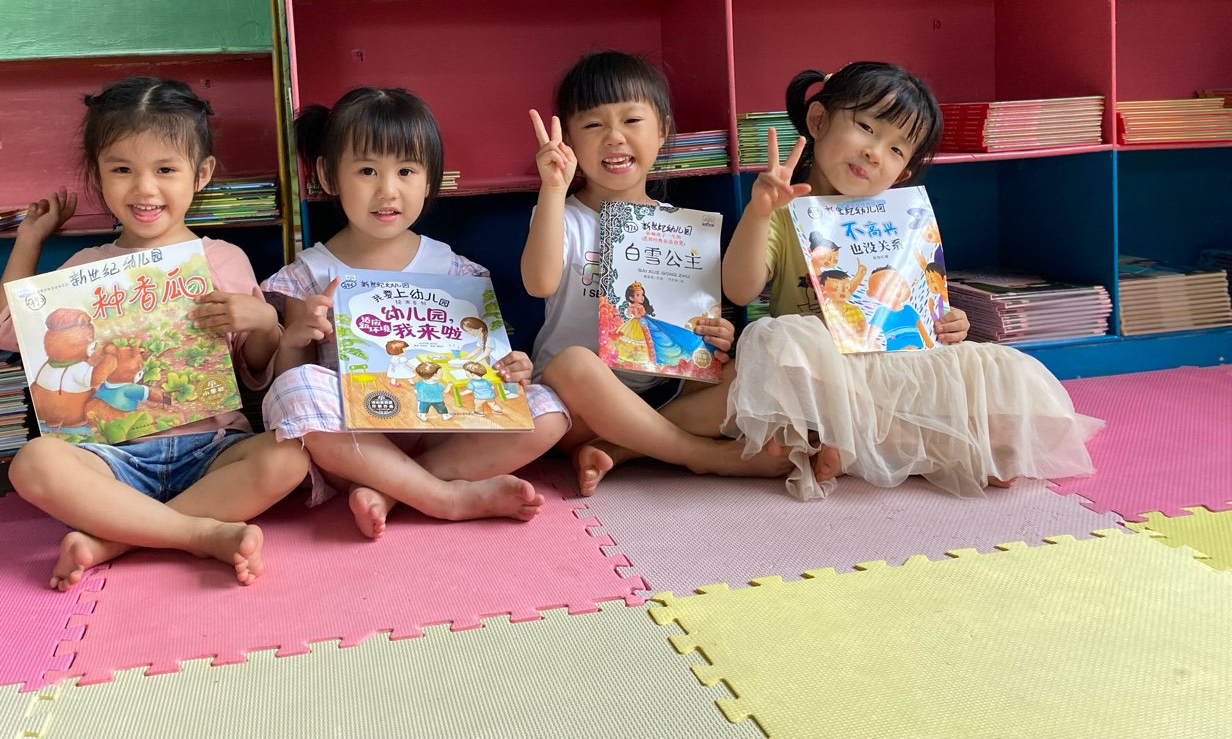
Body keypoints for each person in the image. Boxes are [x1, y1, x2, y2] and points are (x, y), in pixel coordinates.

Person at [0, 77, 308, 590]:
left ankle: (115, 540)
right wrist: (30, 240)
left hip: (211, 449)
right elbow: (8, 328)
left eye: (165, 169)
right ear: (98, 175)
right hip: (110, 461)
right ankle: (199, 533)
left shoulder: (222, 259)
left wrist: (265, 321)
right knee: (33, 463)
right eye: (122, 170)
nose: (145, 189)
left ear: (201, 174)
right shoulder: (85, 266)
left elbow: (256, 369)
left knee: (289, 457)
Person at [722, 62, 1101, 499]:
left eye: (896, 149)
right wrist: (759, 214)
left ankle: (869, 443)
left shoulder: (900, 220)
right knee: (779, 342)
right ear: (819, 120)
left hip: (897, 368)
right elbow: (740, 290)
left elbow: (922, 303)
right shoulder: (781, 212)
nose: (874, 153)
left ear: (901, 175)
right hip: (825, 370)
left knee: (1002, 371)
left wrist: (950, 321)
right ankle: (896, 444)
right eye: (866, 127)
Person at [261, 87, 569, 540]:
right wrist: (294, 338)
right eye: (367, 170)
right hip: (356, 445)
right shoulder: (310, 273)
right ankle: (444, 497)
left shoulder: (454, 269)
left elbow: (483, 360)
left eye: (406, 171)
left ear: (429, 181)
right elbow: (293, 385)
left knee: (549, 412)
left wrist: (511, 368)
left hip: (443, 430)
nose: (388, 190)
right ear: (328, 175)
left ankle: (393, 489)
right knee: (294, 390)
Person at [522, 50, 791, 497]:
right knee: (573, 363)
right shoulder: (561, 216)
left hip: (664, 390)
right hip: (578, 405)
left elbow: (696, 322)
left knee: (749, 371)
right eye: (593, 125)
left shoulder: (682, 228)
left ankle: (623, 446)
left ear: (662, 130)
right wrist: (552, 190)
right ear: (568, 140)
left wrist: (715, 334)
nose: (614, 137)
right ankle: (704, 456)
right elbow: (539, 283)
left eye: (631, 120)